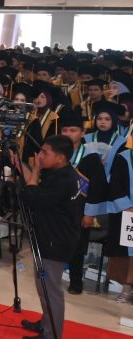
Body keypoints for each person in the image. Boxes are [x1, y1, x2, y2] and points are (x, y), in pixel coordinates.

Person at [11, 135, 82, 339]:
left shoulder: (65, 180)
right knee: (43, 286)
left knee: (50, 289)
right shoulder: (60, 171)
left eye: (45, 153)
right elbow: (34, 188)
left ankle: (53, 336)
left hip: (55, 240)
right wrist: (23, 166)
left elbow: (32, 197)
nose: (40, 156)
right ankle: (46, 323)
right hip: (49, 235)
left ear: (59, 158)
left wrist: (35, 169)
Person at [57, 109, 108, 294]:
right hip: (57, 207)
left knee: (77, 247)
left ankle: (76, 283)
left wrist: (89, 213)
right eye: (65, 130)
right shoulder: (56, 154)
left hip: (80, 209)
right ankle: (52, 278)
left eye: (73, 130)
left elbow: (98, 188)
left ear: (82, 133)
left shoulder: (90, 157)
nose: (69, 134)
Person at [102, 136, 133, 303]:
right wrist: (126, 206)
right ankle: (126, 285)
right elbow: (115, 183)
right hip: (126, 211)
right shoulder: (125, 157)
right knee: (126, 251)